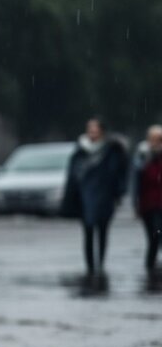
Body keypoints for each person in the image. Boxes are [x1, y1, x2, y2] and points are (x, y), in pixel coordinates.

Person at [62, 117, 129, 287]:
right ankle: (91, 267)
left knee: (103, 231)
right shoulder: (80, 150)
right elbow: (72, 175)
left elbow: (118, 173)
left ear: (102, 131)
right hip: (85, 198)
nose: (92, 132)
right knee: (88, 231)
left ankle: (100, 264)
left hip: (105, 198)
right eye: (89, 129)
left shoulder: (111, 150)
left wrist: (118, 193)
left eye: (95, 129)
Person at [130, 125, 162, 286]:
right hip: (147, 203)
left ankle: (151, 265)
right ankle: (150, 264)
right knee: (152, 235)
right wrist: (134, 203)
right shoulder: (142, 156)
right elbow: (135, 182)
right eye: (153, 139)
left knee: (157, 233)